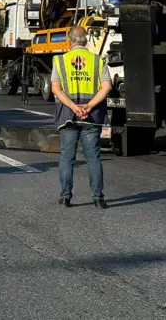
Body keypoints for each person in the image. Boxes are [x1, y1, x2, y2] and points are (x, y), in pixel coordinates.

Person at [50, 26, 113, 209]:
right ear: (86, 40)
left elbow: (56, 89)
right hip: (91, 116)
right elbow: (106, 87)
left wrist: (73, 107)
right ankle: (98, 198)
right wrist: (89, 106)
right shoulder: (98, 60)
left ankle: (65, 197)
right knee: (93, 158)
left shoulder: (60, 60)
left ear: (70, 40)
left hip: (68, 116)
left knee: (67, 157)